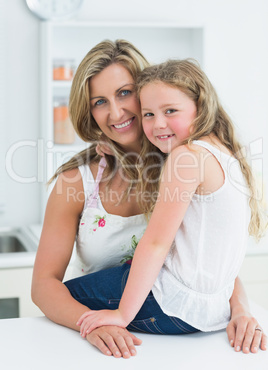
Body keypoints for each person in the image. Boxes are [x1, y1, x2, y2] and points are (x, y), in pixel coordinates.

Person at [31, 42, 267, 358]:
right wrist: (91, 324)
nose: (115, 112)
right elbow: (43, 285)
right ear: (89, 111)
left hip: (173, 341)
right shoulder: (75, 181)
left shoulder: (179, 162)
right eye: (100, 101)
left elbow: (204, 247)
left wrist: (239, 308)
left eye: (125, 93)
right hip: (108, 343)